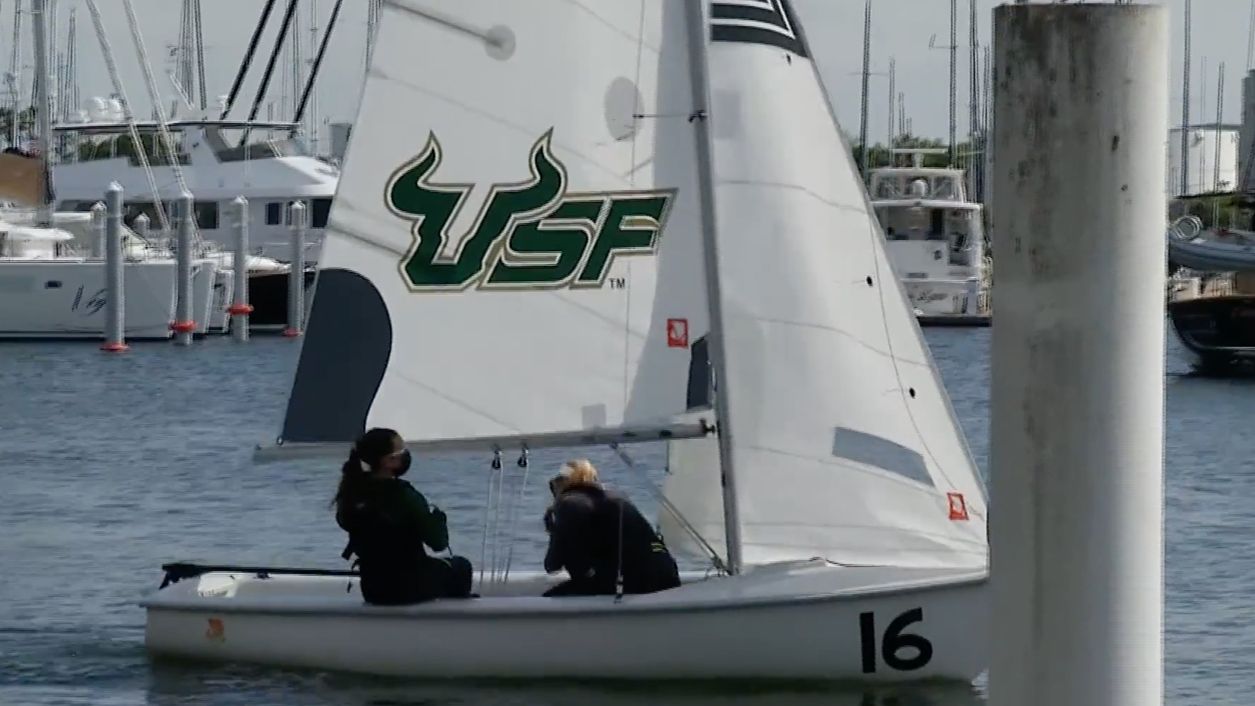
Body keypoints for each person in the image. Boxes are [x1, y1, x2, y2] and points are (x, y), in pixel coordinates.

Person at [333, 427, 474, 605]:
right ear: (388, 461)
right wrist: (439, 519)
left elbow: (345, 522)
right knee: (461, 567)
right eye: (401, 451)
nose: (406, 454)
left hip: (373, 589)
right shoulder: (405, 496)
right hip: (409, 588)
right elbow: (438, 543)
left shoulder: (350, 495)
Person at [541, 459, 680, 598]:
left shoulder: (569, 504)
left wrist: (554, 530)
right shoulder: (617, 498)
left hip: (634, 584)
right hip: (667, 577)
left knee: (547, 602)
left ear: (563, 484)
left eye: (555, 484)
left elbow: (552, 565)